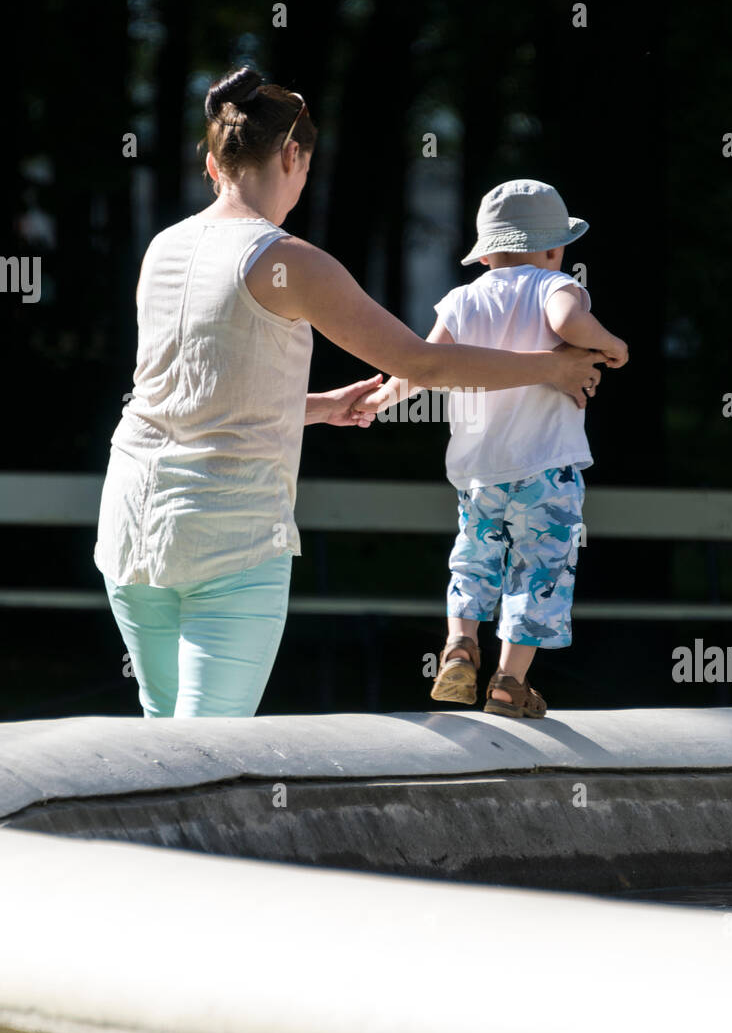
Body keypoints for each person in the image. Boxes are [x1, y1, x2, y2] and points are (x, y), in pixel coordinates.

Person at [94, 74, 606, 718]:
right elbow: (421, 361)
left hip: (130, 528)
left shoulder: (163, 247)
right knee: (211, 752)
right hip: (227, 535)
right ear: (291, 156)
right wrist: (549, 371)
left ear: (210, 163)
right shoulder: (289, 260)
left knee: (160, 739)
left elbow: (178, 398)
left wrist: (321, 406)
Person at [352, 178, 628, 719]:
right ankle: (508, 682)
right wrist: (611, 343)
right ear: (553, 248)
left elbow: (421, 367)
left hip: (479, 472)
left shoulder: (461, 300)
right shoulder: (556, 286)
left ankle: (459, 644)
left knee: (475, 562)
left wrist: (382, 399)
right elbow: (569, 323)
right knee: (538, 571)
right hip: (546, 466)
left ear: (486, 254)